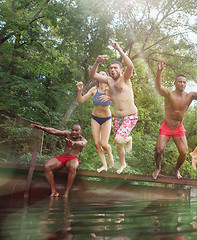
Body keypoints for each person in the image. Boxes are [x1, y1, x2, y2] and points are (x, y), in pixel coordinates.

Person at [152, 59, 197, 179]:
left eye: (184, 82)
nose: (182, 84)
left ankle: (176, 170)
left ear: (186, 84)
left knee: (184, 152)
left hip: (178, 127)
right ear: (175, 83)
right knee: (159, 150)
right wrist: (159, 71)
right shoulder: (169, 94)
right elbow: (158, 86)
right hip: (166, 126)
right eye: (179, 82)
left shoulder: (189, 96)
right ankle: (158, 167)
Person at [89, 39, 137, 174]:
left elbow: (131, 66)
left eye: (115, 67)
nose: (113, 70)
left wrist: (118, 48)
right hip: (116, 117)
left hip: (130, 115)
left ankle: (129, 138)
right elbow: (92, 74)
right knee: (118, 143)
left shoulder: (125, 78)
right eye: (111, 68)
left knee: (118, 139)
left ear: (121, 70)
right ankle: (122, 164)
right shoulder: (109, 81)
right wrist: (97, 62)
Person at [30, 123, 87, 197]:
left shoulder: (83, 140)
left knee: (73, 167)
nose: (73, 132)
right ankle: (54, 191)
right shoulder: (67, 134)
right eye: (72, 130)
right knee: (47, 166)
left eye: (76, 131)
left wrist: (74, 143)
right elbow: (54, 131)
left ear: (80, 131)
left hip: (73, 158)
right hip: (63, 157)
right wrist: (41, 127)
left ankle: (67, 192)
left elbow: (81, 143)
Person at [76, 70, 113, 173]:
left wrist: (110, 97)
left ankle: (110, 155)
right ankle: (104, 165)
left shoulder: (110, 89)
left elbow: (120, 98)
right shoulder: (94, 89)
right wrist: (79, 91)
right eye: (99, 74)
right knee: (97, 144)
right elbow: (80, 101)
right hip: (95, 118)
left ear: (107, 77)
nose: (101, 76)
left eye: (104, 74)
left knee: (104, 144)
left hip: (106, 119)